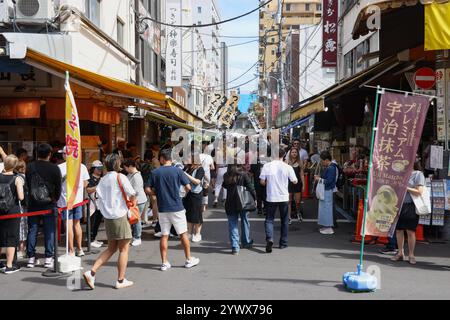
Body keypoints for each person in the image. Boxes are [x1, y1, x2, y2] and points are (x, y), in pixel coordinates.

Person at [83, 153, 136, 290]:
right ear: (118, 163)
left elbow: (98, 196)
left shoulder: (103, 179)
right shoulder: (121, 177)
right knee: (124, 249)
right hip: (120, 216)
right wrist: (132, 205)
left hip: (108, 217)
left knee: (112, 248)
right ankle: (120, 279)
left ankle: (92, 272)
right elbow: (132, 193)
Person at [147, 148, 200, 271]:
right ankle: (188, 259)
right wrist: (182, 195)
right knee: (183, 234)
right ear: (171, 159)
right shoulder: (177, 171)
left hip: (162, 208)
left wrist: (157, 194)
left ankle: (164, 262)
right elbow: (188, 187)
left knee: (164, 235)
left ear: (161, 159)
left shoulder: (155, 172)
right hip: (177, 206)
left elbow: (148, 189)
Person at [26, 143, 62, 269]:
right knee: (49, 231)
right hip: (49, 203)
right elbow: (58, 187)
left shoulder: (29, 167)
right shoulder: (54, 168)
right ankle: (48, 258)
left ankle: (30, 258)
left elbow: (27, 185)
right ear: (49, 154)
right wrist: (55, 199)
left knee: (32, 230)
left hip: (33, 203)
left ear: (37, 154)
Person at [260, 147, 298, 253]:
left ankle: (269, 238)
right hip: (283, 196)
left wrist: (270, 183)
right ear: (284, 155)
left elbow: (262, 182)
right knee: (284, 220)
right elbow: (295, 181)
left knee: (269, 219)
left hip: (271, 196)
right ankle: (283, 243)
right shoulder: (287, 167)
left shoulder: (267, 166)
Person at [391, 160, 426, 265]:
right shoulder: (400, 174)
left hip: (411, 205)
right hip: (398, 204)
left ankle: (411, 255)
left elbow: (419, 191)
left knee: (410, 231)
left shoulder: (418, 174)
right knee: (398, 230)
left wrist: (405, 187)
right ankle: (400, 253)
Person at [57, 147, 90, 257]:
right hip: (78, 200)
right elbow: (86, 184)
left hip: (65, 201)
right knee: (77, 224)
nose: (63, 155)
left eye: (63, 153)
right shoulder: (82, 167)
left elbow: (56, 185)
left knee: (69, 225)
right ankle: (79, 249)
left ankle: (71, 250)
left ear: (66, 155)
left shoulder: (60, 168)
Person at [222, 164, 255, 255]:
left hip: (230, 202)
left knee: (233, 224)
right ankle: (246, 242)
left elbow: (224, 185)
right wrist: (255, 198)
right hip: (243, 202)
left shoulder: (226, 175)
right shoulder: (243, 174)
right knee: (245, 221)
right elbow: (250, 187)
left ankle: (235, 247)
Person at [0, 155, 24, 274]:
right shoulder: (17, 179)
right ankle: (9, 265)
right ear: (14, 166)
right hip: (12, 210)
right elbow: (21, 197)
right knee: (11, 237)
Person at [123, 159, 147, 247]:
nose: (125, 169)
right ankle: (135, 236)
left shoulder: (136, 176)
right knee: (133, 219)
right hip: (134, 200)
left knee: (136, 219)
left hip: (138, 201)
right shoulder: (130, 174)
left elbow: (135, 192)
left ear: (130, 167)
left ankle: (137, 237)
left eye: (125, 167)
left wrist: (133, 203)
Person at [314, 151, 337, 235]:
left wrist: (319, 179)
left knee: (327, 209)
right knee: (325, 208)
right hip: (326, 190)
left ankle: (328, 227)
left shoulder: (331, 168)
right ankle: (326, 226)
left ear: (326, 160)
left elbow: (329, 181)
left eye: (322, 161)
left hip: (327, 190)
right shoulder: (331, 167)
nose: (322, 162)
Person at [183, 163, 205, 242]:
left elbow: (197, 181)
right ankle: (189, 232)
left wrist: (185, 174)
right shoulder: (188, 167)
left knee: (197, 214)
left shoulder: (200, 169)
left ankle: (198, 233)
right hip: (188, 193)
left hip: (196, 193)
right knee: (189, 213)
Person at [87, 160, 104, 249]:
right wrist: (98, 186)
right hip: (92, 204)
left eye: (101, 168)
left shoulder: (102, 178)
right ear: (94, 169)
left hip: (100, 203)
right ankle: (90, 239)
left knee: (97, 222)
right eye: (98, 168)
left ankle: (94, 238)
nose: (100, 170)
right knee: (92, 222)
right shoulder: (89, 178)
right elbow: (88, 189)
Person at [286, 147, 305, 224]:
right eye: (292, 152)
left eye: (295, 152)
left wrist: (303, 185)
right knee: (289, 201)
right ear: (290, 153)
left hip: (297, 184)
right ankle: (289, 217)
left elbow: (302, 175)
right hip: (289, 184)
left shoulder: (300, 162)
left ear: (297, 154)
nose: (294, 153)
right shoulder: (287, 162)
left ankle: (298, 213)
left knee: (298, 201)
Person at [15, 160, 28, 259]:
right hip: (26, 205)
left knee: (20, 226)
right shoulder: (26, 177)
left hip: (19, 204)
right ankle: (23, 248)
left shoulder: (17, 178)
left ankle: (21, 249)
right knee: (24, 226)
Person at [200, 141, 215, 212]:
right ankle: (204, 206)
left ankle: (199, 204)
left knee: (198, 189)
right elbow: (213, 167)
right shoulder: (209, 157)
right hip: (206, 175)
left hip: (199, 174)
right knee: (205, 190)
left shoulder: (198, 156)